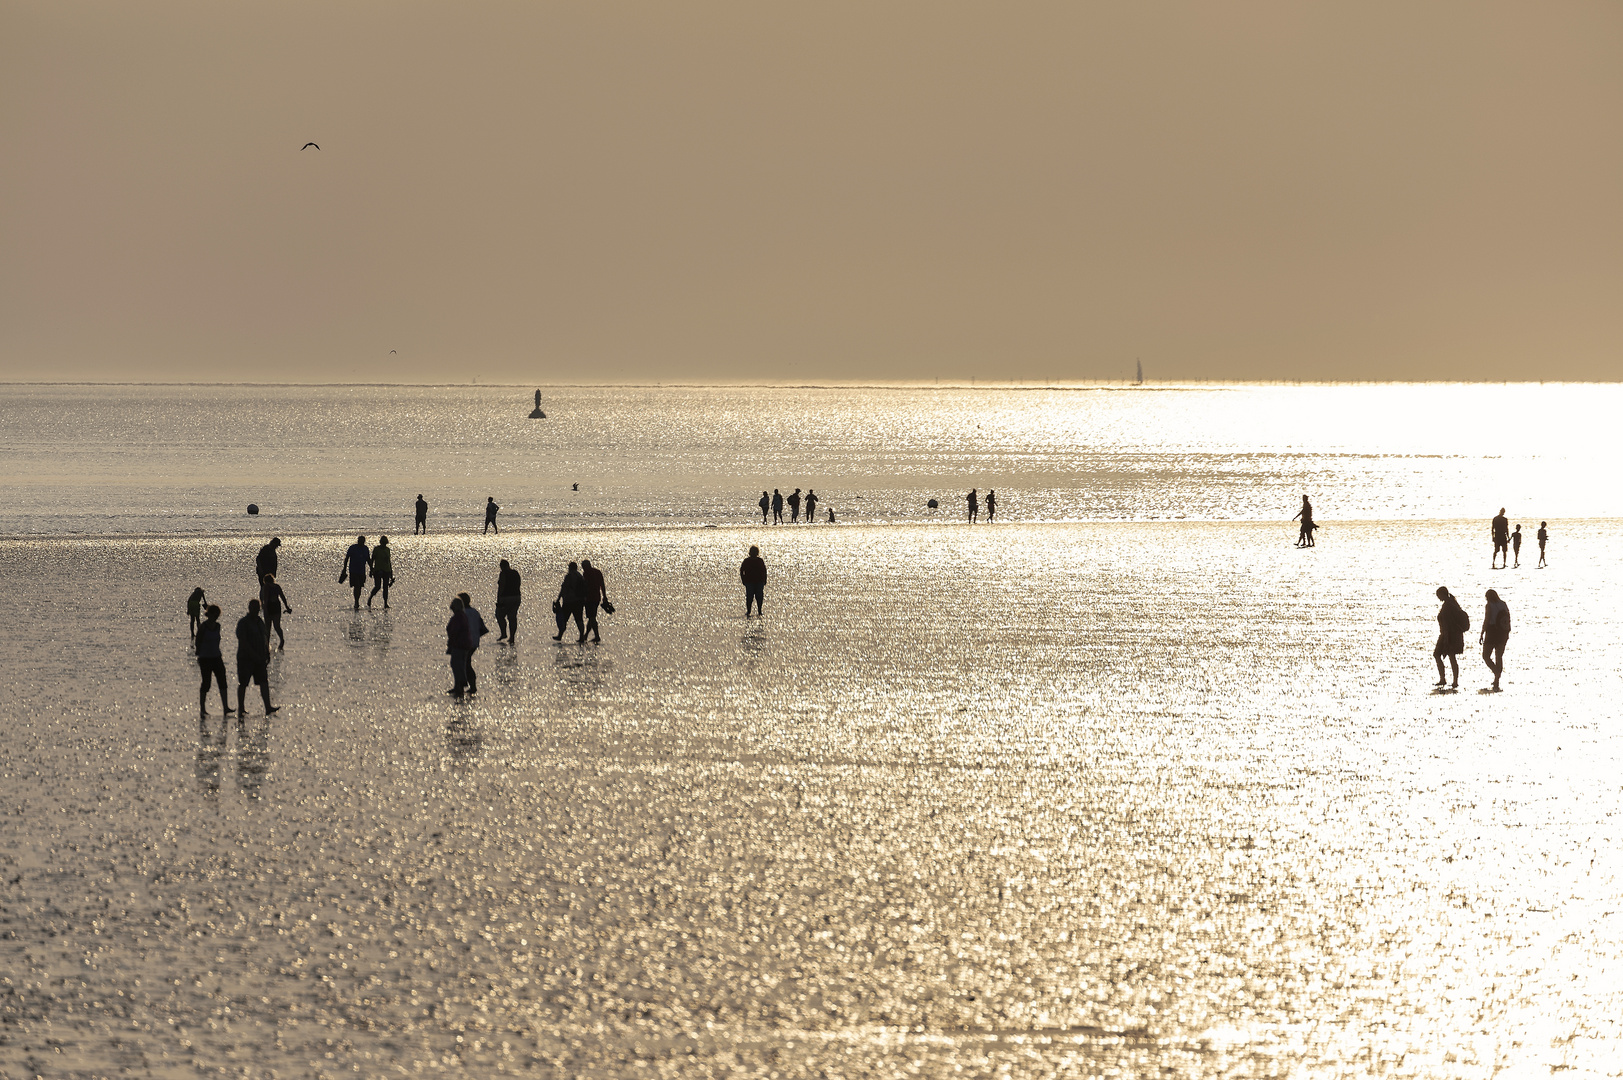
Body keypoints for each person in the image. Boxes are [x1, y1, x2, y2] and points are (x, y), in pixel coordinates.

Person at [235, 599, 278, 716]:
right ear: (249, 608)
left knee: (264, 682)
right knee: (243, 683)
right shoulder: (243, 623)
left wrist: (267, 653)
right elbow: (242, 641)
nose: (255, 610)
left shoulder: (260, 622)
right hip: (245, 659)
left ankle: (268, 707)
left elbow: (265, 639)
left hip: (260, 658)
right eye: (253, 607)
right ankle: (241, 708)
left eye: (257, 608)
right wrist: (253, 654)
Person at [195, 604, 231, 718]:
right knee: (206, 683)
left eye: (217, 615)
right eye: (213, 615)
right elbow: (198, 641)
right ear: (208, 614)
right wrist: (199, 654)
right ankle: (202, 709)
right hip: (205, 658)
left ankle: (226, 707)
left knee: (222, 681)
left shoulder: (218, 626)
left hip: (216, 656)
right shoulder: (203, 627)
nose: (215, 617)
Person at [1433, 586, 1468, 689]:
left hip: (1449, 635)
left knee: (1447, 656)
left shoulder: (1448, 605)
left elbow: (1448, 622)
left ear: (1442, 594)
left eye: (1438, 595)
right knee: (1448, 657)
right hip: (1450, 634)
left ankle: (1449, 680)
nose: (1438, 597)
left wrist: (1446, 639)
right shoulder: (1452, 603)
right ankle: (1449, 680)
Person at [458, 592, 489, 693]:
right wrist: (475, 636)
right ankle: (470, 686)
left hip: (465, 642)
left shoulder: (461, 613)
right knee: (466, 663)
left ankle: (468, 687)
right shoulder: (475, 612)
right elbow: (483, 629)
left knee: (464, 664)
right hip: (474, 642)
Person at [1481, 588, 1510, 690]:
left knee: (1486, 656)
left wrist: (1482, 632)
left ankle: (1496, 673)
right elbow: (1507, 618)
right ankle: (1497, 680)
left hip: (1492, 632)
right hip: (1503, 632)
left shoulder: (1489, 605)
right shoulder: (1503, 604)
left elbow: (1487, 619)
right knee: (1499, 657)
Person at [554, 561, 587, 642]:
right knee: (579, 619)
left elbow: (564, 588)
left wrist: (558, 598)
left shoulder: (569, 576)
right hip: (579, 601)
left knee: (564, 619)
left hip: (569, 601)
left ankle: (560, 635)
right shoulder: (580, 576)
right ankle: (581, 637)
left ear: (570, 568)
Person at [445, 597, 471, 697]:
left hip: (459, 644)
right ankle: (458, 685)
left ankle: (459, 686)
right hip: (462, 644)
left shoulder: (458, 617)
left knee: (457, 664)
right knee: (458, 664)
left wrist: (451, 642)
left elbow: (454, 631)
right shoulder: (461, 616)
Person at [259, 573, 293, 649]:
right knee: (277, 626)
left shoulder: (266, 587)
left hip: (269, 607)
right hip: (277, 607)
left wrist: (265, 609)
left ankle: (266, 645)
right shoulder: (277, 587)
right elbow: (282, 597)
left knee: (268, 627)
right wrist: (287, 606)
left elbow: (265, 599)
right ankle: (282, 640)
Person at [339, 535, 372, 610]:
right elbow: (347, 558)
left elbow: (368, 559)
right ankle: (356, 602)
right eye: (360, 541)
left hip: (362, 570)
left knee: (359, 586)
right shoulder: (353, 548)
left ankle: (357, 600)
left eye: (363, 541)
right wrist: (344, 569)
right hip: (353, 570)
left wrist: (371, 568)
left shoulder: (365, 548)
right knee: (356, 585)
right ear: (358, 541)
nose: (361, 542)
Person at [581, 558, 608, 643]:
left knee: (592, 617)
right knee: (592, 617)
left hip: (589, 598)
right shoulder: (598, 572)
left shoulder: (586, 573)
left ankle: (597, 636)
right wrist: (604, 596)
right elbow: (602, 585)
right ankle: (586, 635)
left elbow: (584, 587)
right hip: (597, 598)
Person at [495, 559, 522, 642]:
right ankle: (512, 637)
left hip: (506, 598)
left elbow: (501, 586)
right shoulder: (515, 573)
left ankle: (504, 633)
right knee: (512, 617)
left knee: (499, 615)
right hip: (516, 597)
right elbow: (519, 584)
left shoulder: (503, 573)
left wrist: (499, 599)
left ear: (502, 566)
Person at [368, 535, 394, 609]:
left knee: (385, 587)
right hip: (377, 570)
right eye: (383, 542)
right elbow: (372, 559)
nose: (384, 544)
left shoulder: (387, 550)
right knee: (377, 586)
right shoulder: (376, 549)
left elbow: (389, 562)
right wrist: (371, 570)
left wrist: (391, 574)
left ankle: (385, 603)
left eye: (385, 543)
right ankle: (370, 598)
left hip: (386, 570)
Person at [740, 545, 766, 617]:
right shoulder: (746, 561)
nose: (754, 553)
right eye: (753, 552)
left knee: (759, 597)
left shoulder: (760, 561)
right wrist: (743, 580)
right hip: (749, 582)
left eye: (755, 552)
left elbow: (764, 571)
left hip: (759, 582)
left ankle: (759, 611)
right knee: (749, 597)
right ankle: (749, 611)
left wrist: (764, 580)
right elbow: (742, 571)